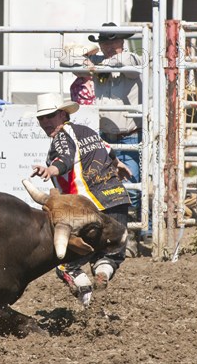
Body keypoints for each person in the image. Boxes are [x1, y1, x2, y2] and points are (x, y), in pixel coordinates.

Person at [30, 93, 132, 307]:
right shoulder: (86, 131)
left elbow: (64, 159)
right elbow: (109, 151)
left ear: (62, 114)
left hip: (90, 209)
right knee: (110, 253)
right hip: (117, 199)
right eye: (41, 118)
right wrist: (119, 166)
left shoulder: (62, 136)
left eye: (49, 116)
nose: (45, 122)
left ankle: (87, 305)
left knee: (66, 265)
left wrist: (50, 169)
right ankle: (103, 272)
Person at [60, 22, 144, 251]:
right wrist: (90, 56)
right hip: (104, 137)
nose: (108, 46)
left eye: (112, 41)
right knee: (107, 188)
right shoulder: (97, 62)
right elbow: (65, 60)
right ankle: (123, 238)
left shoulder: (133, 59)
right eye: (103, 42)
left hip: (130, 135)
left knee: (131, 189)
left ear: (122, 42)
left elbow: (125, 63)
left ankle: (133, 234)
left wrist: (97, 64)